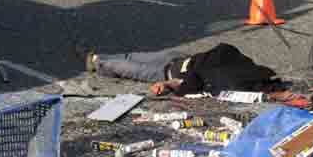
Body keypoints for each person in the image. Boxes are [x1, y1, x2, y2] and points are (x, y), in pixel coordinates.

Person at [85, 43, 277, 96]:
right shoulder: (229, 71)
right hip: (174, 62)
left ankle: (97, 61)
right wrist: (167, 84)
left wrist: (166, 83)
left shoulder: (227, 75)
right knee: (131, 61)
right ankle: (102, 63)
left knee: (130, 64)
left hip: (171, 66)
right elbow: (188, 83)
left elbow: (188, 83)